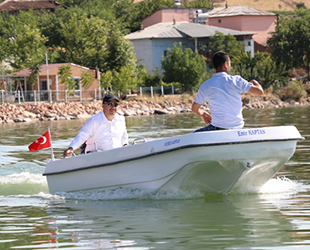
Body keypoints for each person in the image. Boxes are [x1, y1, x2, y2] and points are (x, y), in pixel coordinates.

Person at [191, 51, 264, 132]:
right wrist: (254, 82)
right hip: (237, 129)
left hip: (217, 129)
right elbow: (260, 91)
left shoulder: (206, 85)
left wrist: (202, 114)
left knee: (192, 136)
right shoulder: (237, 81)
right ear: (225, 64)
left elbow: (194, 109)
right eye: (230, 64)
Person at [63, 93, 128, 157]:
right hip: (95, 157)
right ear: (103, 106)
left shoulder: (121, 119)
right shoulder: (93, 121)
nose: (113, 107)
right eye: (110, 104)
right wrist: (71, 148)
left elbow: (124, 137)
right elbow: (82, 136)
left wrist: (126, 146)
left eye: (115, 104)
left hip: (117, 155)